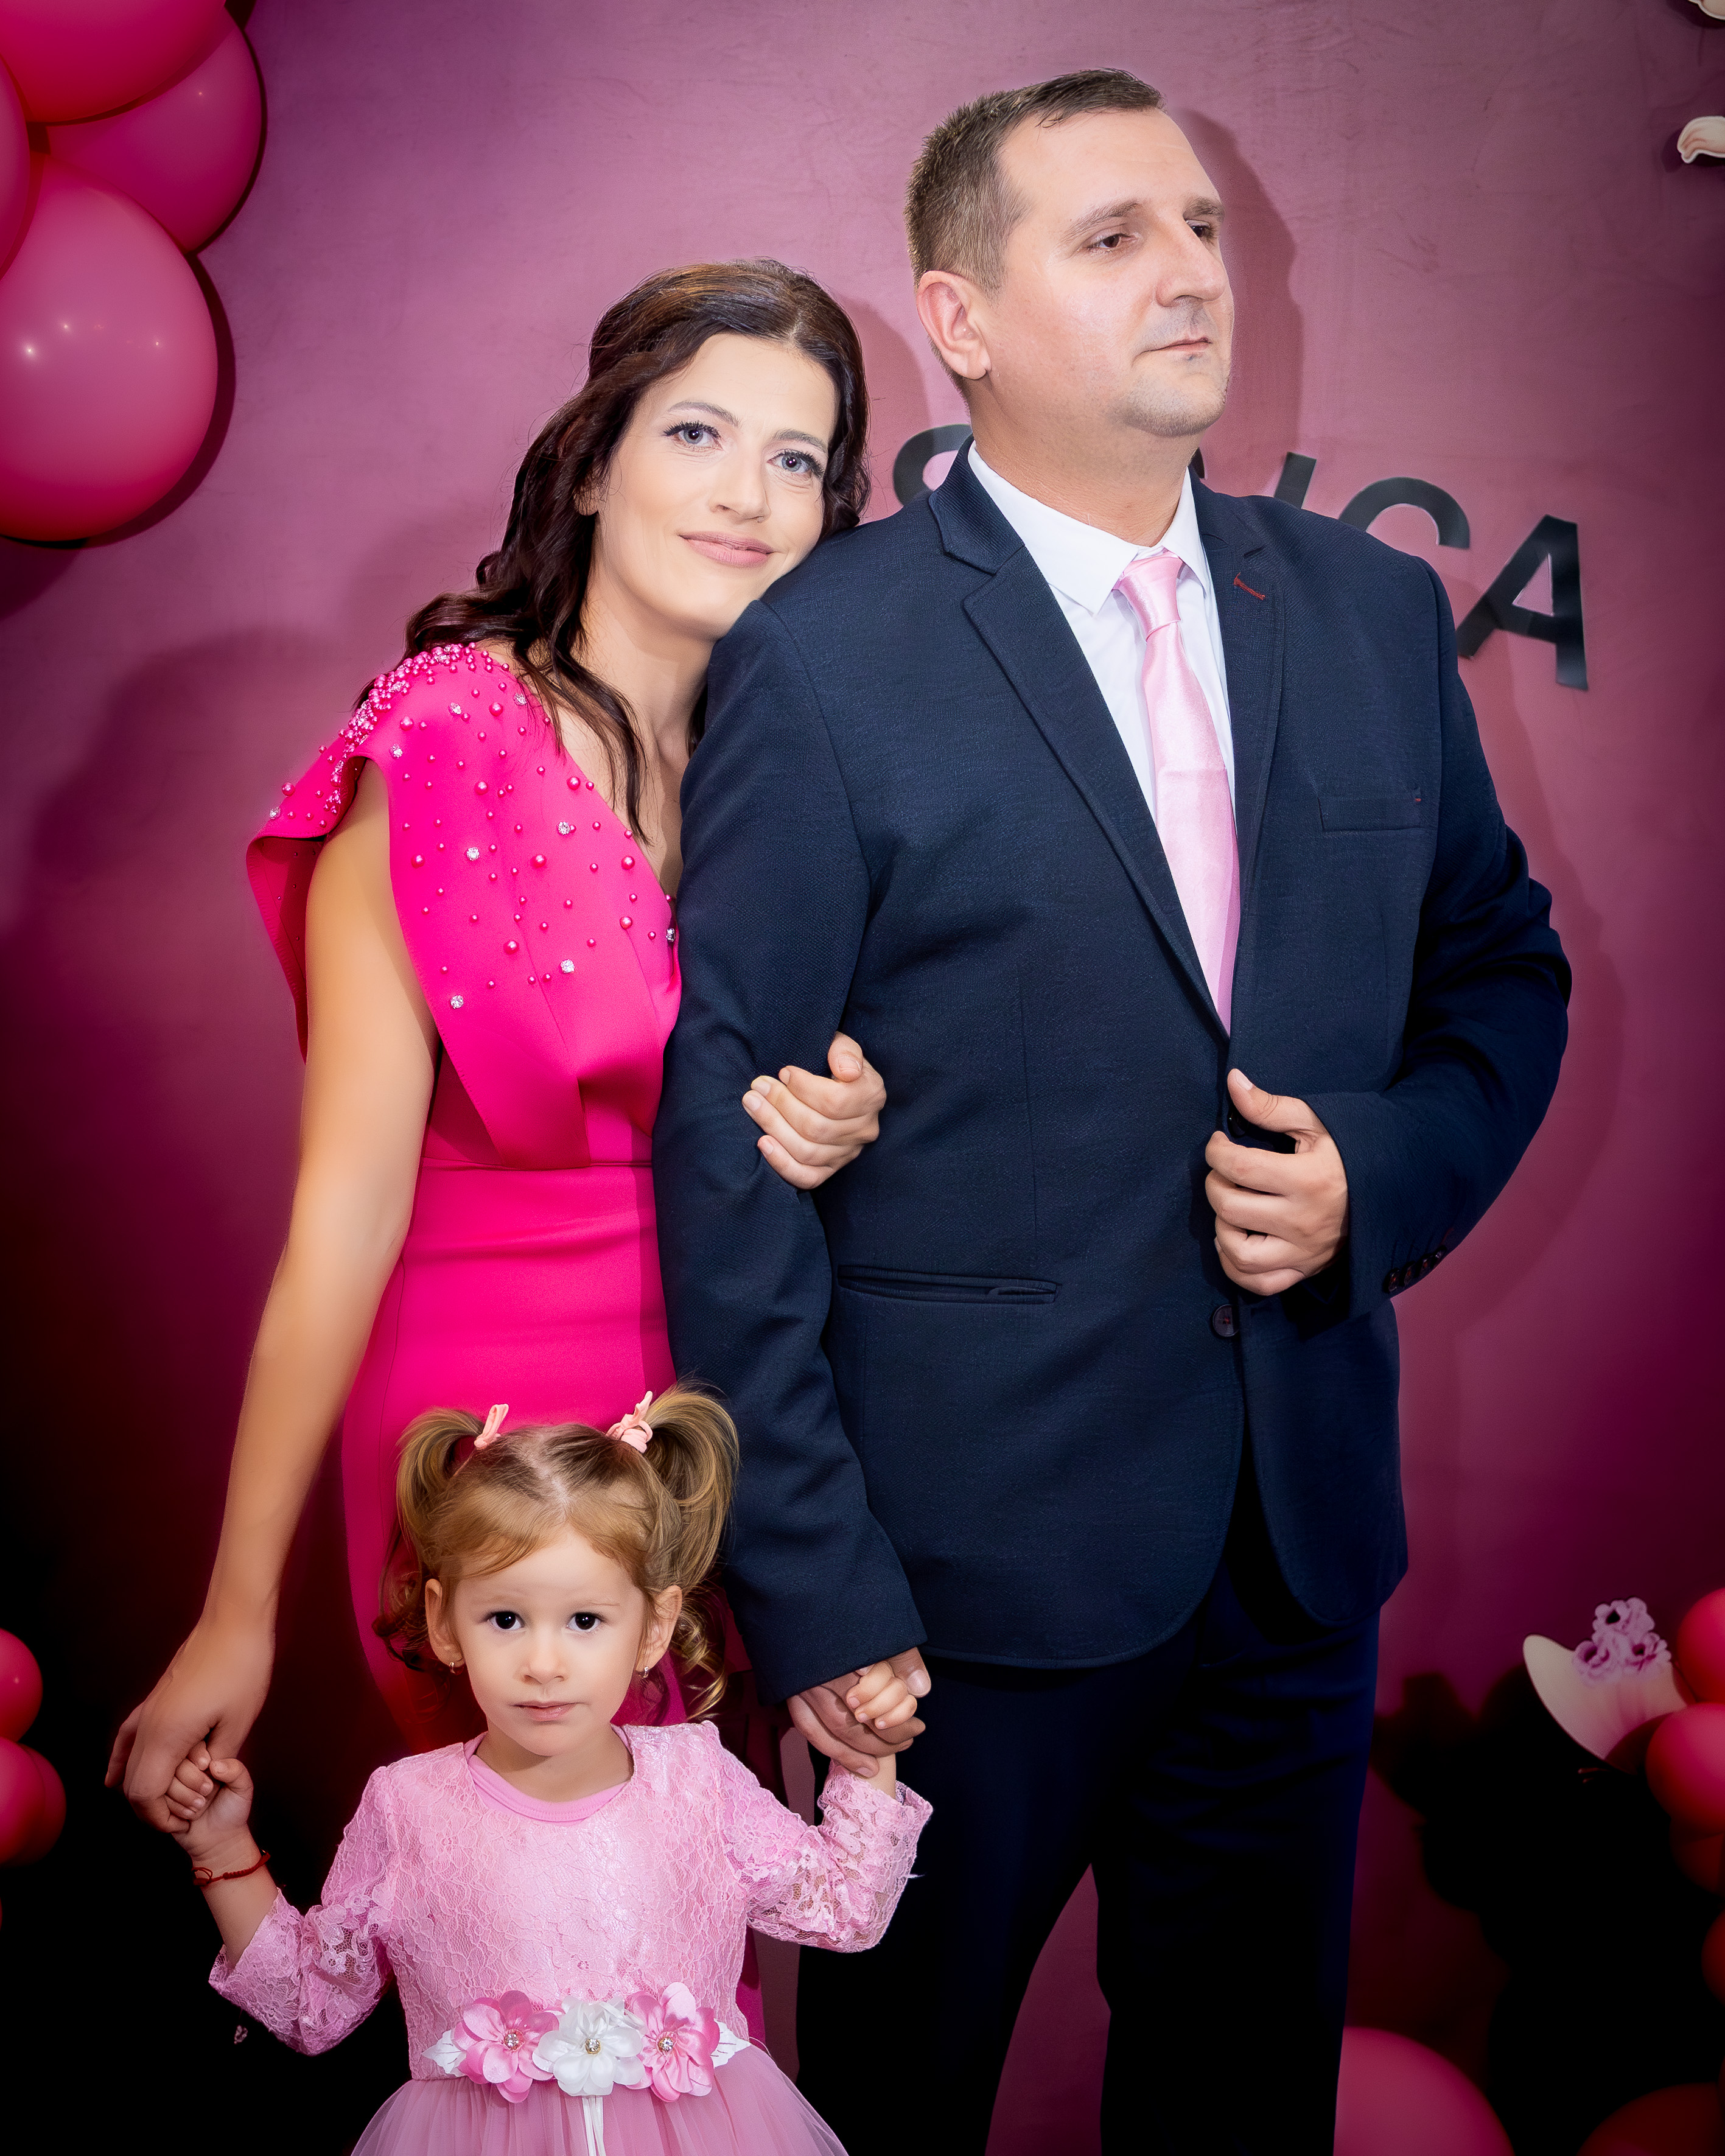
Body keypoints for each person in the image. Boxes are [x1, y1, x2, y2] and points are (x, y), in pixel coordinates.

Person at [654, 71, 1571, 2153]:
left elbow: (1500, 975)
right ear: (958, 317)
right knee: (896, 2111)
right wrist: (816, 1587)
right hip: (947, 1600)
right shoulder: (821, 654)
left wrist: (1370, 1178)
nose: (1190, 273)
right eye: (1112, 236)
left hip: (1294, 1559)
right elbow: (731, 1142)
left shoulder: (1367, 611)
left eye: (1202, 229)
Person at [107, 262, 923, 1841]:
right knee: (535, 1920)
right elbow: (342, 1216)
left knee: (698, 1923)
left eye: (797, 458)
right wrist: (235, 1611)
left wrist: (848, 1103)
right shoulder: (443, 738)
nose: (745, 495)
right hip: (499, 1431)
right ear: (594, 461)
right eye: (697, 433)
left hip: (738, 1412)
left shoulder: (795, 759)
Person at [159, 1387, 930, 2156]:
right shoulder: (408, 1805)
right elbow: (311, 2006)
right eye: (505, 1618)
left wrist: (869, 1747)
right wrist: (222, 1848)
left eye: (585, 1620)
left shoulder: (696, 1779)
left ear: (653, 1625)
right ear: (444, 1621)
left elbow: (846, 1909)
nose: (543, 1662)